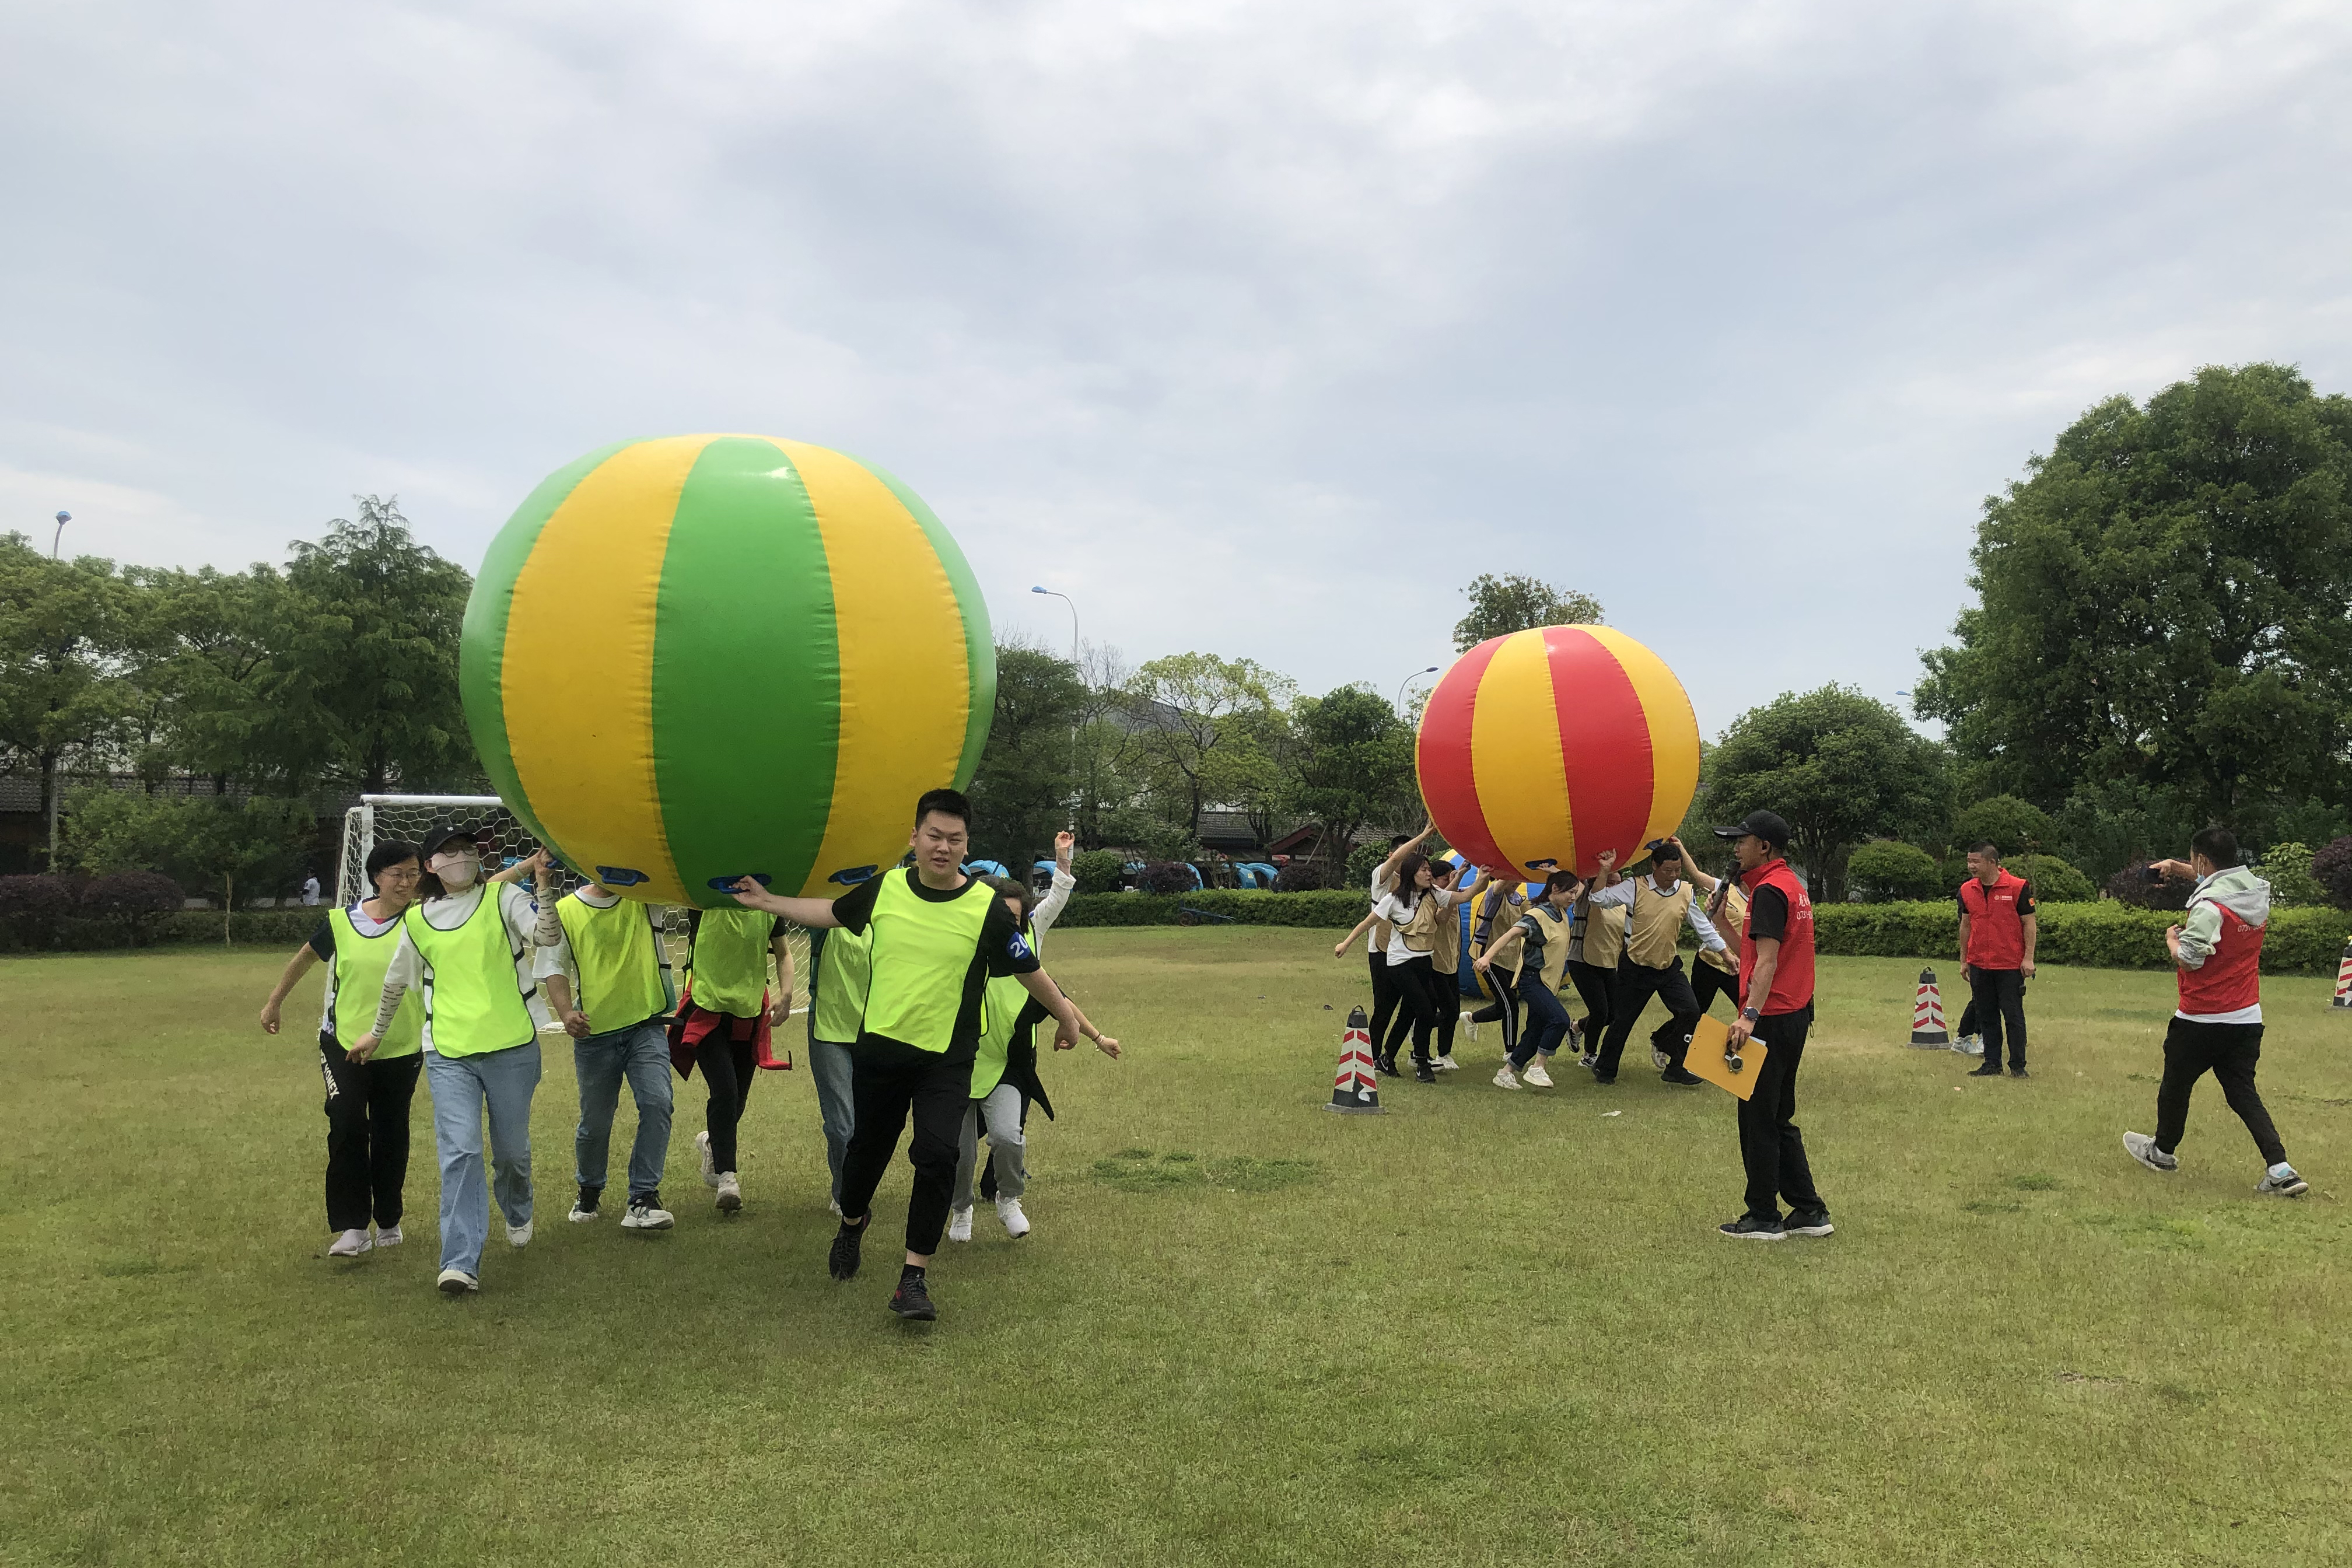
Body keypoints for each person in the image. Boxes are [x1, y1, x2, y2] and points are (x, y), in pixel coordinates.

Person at [729, 789, 1116, 1322]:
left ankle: (913, 1278)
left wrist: (1070, 1017)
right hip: (882, 1052)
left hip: (946, 1060)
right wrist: (769, 902)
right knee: (865, 1156)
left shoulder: (986, 908)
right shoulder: (886, 888)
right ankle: (853, 1224)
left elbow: (1029, 967)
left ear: (965, 845)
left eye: (954, 839)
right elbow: (830, 911)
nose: (943, 847)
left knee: (938, 1157)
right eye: (934, 836)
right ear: (914, 838)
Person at [354, 828, 561, 1296]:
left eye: (467, 850)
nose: (460, 858)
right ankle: (460, 1262)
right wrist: (376, 1032)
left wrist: (543, 887)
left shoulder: (503, 898)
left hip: (511, 1046)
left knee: (511, 1152)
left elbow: (546, 934)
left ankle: (518, 1206)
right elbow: (394, 984)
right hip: (448, 1053)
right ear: (431, 865)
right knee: (461, 1151)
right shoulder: (418, 921)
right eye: (448, 852)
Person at [259, 839, 428, 1258]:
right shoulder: (341, 921)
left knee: (392, 1132)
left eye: (413, 874)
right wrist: (275, 1000)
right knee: (348, 1123)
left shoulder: (426, 920)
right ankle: (352, 1227)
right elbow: (304, 959)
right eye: (398, 875)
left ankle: (388, 1217)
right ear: (376, 878)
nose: (406, 883)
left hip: (402, 1046)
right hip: (343, 1043)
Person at [2123, 827, 2308, 1196]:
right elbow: (2223, 882)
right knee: (2243, 1094)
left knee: (2176, 1086)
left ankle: (2162, 1152)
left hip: (2200, 1017)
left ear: (2204, 860)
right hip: (2246, 1018)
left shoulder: (2208, 907)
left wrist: (2173, 942)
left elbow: (2190, 960)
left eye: (2195, 860)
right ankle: (2281, 1169)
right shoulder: (2255, 892)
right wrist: (2178, 868)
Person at [950, 856, 1115, 1242]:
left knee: (1008, 1137)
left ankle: (1009, 1200)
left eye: (1015, 918)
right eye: (1000, 917)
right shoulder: (960, 956)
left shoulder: (1024, 958)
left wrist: (1096, 1037)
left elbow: (1060, 999)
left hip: (1008, 1067)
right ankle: (960, 1209)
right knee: (959, 1153)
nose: (1008, 925)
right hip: (956, 1067)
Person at [1710, 810, 1831, 1242]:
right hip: (1793, 1015)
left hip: (1771, 1018)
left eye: (1742, 841)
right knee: (1778, 1116)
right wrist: (1720, 922)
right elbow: (1754, 953)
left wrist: (1748, 1016)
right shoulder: (1790, 886)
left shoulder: (1768, 892)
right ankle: (1809, 1211)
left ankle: (1763, 1215)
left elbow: (1767, 963)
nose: (1736, 849)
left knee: (1758, 1117)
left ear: (1764, 847)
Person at [540, 877, 679, 1233]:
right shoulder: (566, 911)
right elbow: (554, 968)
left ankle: (643, 1198)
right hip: (595, 1033)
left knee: (657, 1103)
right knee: (595, 1122)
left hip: (646, 1024)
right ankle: (589, 1188)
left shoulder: (646, 897)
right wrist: (566, 1013)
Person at [671, 905, 793, 1214]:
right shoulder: (703, 903)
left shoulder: (767, 906)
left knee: (737, 1100)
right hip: (706, 1013)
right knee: (724, 1092)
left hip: (750, 1014)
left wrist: (786, 994)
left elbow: (784, 954)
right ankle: (727, 1179)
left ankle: (712, 1141)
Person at [1584, 840, 1729, 1086]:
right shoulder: (1634, 886)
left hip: (1669, 967)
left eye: (1677, 871)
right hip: (1636, 966)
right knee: (1623, 1020)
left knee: (1691, 1011)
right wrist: (1605, 869)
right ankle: (1605, 1068)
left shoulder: (1685, 890)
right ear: (1654, 866)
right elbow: (1598, 899)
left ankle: (1675, 1066)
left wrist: (1726, 953)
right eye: (1668, 871)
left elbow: (1702, 926)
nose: (1673, 876)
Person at [1366, 851, 1483, 1083]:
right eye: (1424, 870)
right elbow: (1368, 922)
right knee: (1426, 1009)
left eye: (1430, 870)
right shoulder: (1394, 899)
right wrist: (1345, 943)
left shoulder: (1433, 895)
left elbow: (1464, 896)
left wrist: (1484, 877)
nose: (1429, 874)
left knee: (1409, 1013)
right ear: (1412, 873)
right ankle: (1421, 1061)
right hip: (1400, 964)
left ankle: (1387, 1058)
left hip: (1424, 962)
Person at [1332, 827, 1433, 1076]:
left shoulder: (1415, 887)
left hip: (1408, 955)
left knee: (1412, 1007)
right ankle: (1372, 1056)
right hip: (1381, 951)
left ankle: (1392, 1057)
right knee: (1384, 1008)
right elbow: (1398, 859)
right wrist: (1423, 836)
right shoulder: (1383, 876)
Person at [1475, 872, 1584, 1090]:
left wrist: (1556, 871)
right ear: (1555, 890)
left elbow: (1580, 883)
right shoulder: (1538, 915)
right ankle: (1538, 1067)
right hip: (1532, 981)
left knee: (1535, 1031)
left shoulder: (1561, 912)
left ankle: (1506, 1073)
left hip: (1548, 983)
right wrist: (1487, 957)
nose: (1574, 897)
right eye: (1570, 892)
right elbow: (1510, 935)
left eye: (1575, 892)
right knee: (1560, 1020)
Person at [1653, 846, 1746, 1064]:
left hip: (1737, 966)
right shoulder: (1724, 889)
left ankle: (1735, 1055)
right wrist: (1681, 848)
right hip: (1709, 962)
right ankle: (1661, 1040)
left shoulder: (1761, 898)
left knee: (1747, 1012)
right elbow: (1695, 875)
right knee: (1696, 1011)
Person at [1957, 842, 2038, 1079]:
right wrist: (1964, 960)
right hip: (1979, 963)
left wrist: (2028, 958)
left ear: (1991, 862)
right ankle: (1992, 1063)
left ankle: (2018, 1065)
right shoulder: (1966, 890)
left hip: (2010, 964)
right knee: (1986, 1015)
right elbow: (1965, 925)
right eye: (1969, 861)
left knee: (2013, 1016)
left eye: (1976, 861)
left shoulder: (2018, 887)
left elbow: (2029, 923)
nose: (1971, 866)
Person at [1563, 883, 1626, 1070]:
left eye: (1616, 882)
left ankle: (1577, 1027)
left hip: (1609, 964)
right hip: (1582, 962)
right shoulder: (1587, 899)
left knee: (1614, 1014)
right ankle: (1589, 1055)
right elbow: (1576, 885)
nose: (1613, 886)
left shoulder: (1622, 905)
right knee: (1600, 1011)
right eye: (1609, 881)